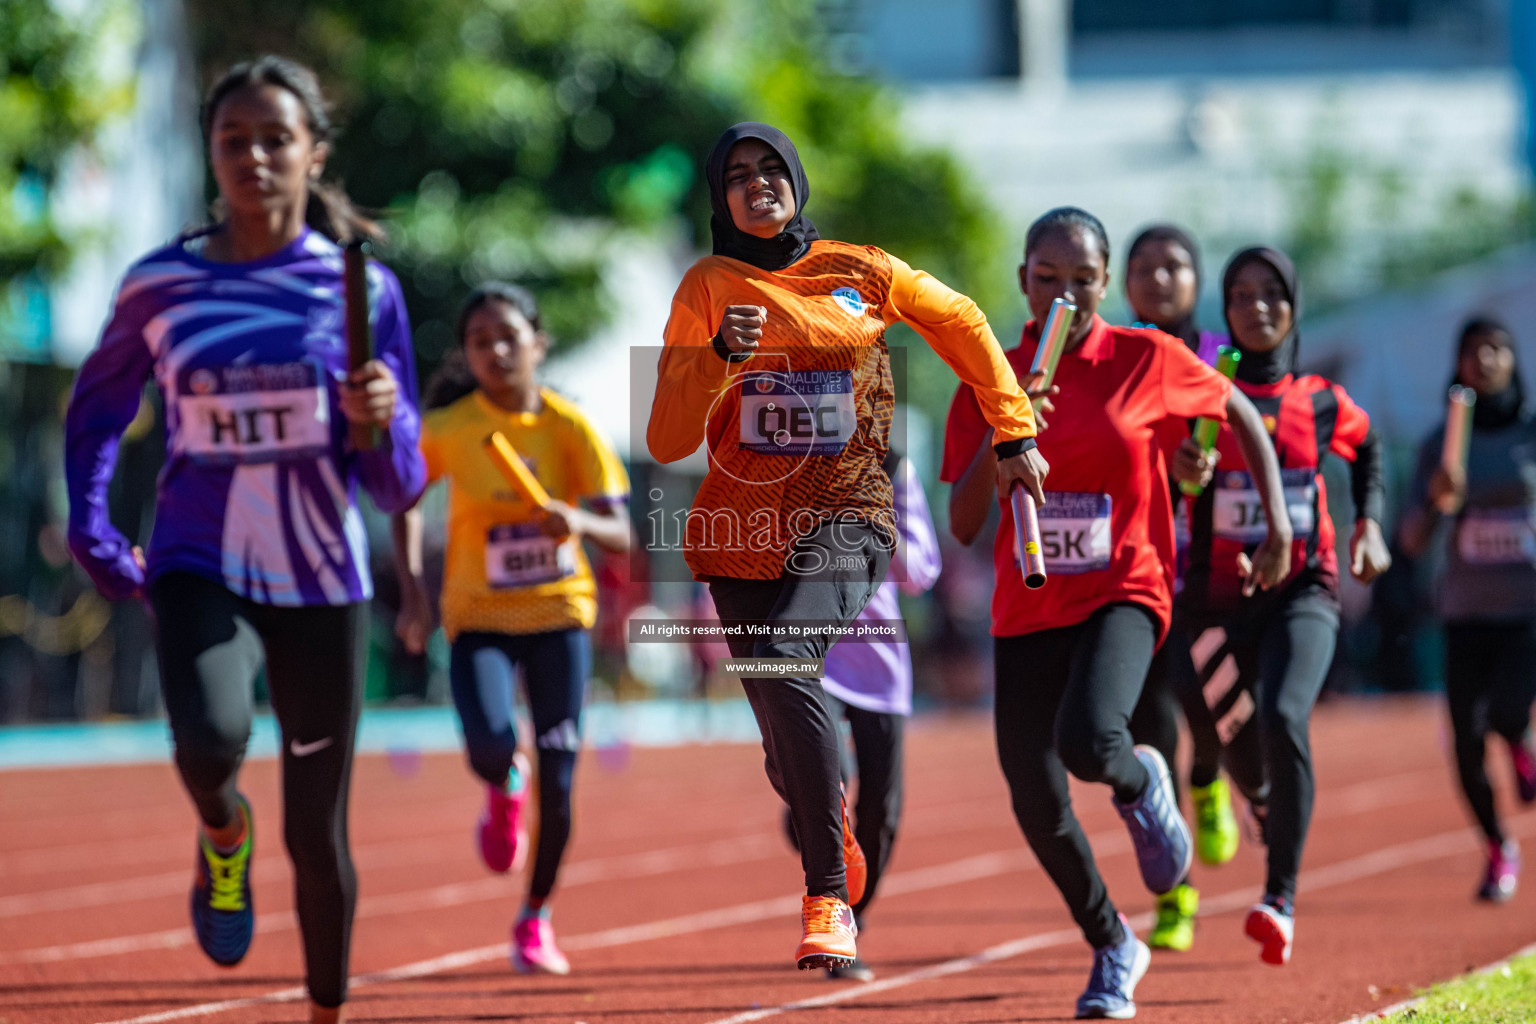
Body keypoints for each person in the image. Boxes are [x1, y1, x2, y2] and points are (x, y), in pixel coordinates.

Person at [64, 56, 425, 1024]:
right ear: (210, 155)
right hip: (197, 553)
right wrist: (90, 517)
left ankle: (324, 1011)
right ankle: (223, 831)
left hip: (320, 570)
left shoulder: (359, 290)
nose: (254, 157)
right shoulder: (161, 285)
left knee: (319, 830)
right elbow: (97, 408)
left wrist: (382, 417)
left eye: (276, 138)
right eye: (233, 140)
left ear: (313, 152)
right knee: (214, 736)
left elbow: (398, 481)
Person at [647, 122, 1046, 972]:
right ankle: (823, 804)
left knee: (788, 656)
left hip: (849, 509)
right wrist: (721, 354)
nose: (757, 185)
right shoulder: (708, 284)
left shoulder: (863, 269)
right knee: (784, 745)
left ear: (796, 177)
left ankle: (828, 895)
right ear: (720, 198)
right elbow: (669, 434)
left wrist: (1013, 431)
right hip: (741, 531)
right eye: (737, 176)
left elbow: (966, 322)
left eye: (770, 170)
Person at [943, 207, 1291, 1020]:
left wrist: (1276, 521)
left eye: (1083, 280)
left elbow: (1239, 411)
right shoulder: (990, 369)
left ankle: (1141, 786)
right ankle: (1112, 944)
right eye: (1046, 279)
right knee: (1034, 797)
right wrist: (1008, 426)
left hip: (1123, 586)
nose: (1065, 293)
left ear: (1107, 284)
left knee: (1091, 738)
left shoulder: (1145, 357)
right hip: (1027, 601)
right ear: (1023, 281)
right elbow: (962, 523)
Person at [393, 283, 631, 973]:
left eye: (508, 336)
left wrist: (575, 520)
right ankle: (503, 783)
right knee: (491, 746)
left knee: (561, 785)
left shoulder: (568, 427)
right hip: (479, 617)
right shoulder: (447, 427)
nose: (495, 351)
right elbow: (403, 501)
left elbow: (621, 531)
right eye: (479, 341)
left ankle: (535, 918)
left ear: (537, 343)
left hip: (559, 612)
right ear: (466, 355)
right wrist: (412, 592)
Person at [1177, 246, 1390, 967]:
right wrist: (1184, 469)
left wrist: (1369, 520)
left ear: (1294, 306)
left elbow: (1369, 450)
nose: (1257, 306)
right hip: (1212, 602)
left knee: (1283, 716)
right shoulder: (1201, 388)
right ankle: (1261, 799)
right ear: (1224, 310)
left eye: (1273, 293)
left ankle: (1279, 899)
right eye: (1240, 294)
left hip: (1304, 589)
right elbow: (1161, 473)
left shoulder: (1322, 400)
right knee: (1236, 741)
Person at [1121, 224, 1242, 953]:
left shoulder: (1218, 357)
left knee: (1202, 710)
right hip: (1131, 569)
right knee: (1146, 735)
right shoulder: (1112, 354)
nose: (1159, 280)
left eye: (1173, 267)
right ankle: (1177, 895)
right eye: (1143, 269)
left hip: (1203, 568)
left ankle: (1211, 780)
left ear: (1197, 280)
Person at [782, 449, 943, 982]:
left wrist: (866, 534)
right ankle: (815, 821)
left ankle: (855, 917)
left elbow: (922, 569)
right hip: (810, 651)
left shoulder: (895, 466)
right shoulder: (781, 458)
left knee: (882, 807)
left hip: (877, 658)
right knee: (826, 783)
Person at [1399, 316, 1536, 903]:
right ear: (1457, 364)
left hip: (1528, 608)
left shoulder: (1532, 434)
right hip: (1464, 612)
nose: (1485, 359)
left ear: (1514, 359)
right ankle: (1498, 846)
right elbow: (1410, 539)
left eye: (1497, 349)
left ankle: (1521, 741)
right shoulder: (1441, 441)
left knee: (1505, 712)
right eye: (1473, 350)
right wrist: (1435, 502)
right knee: (1464, 742)